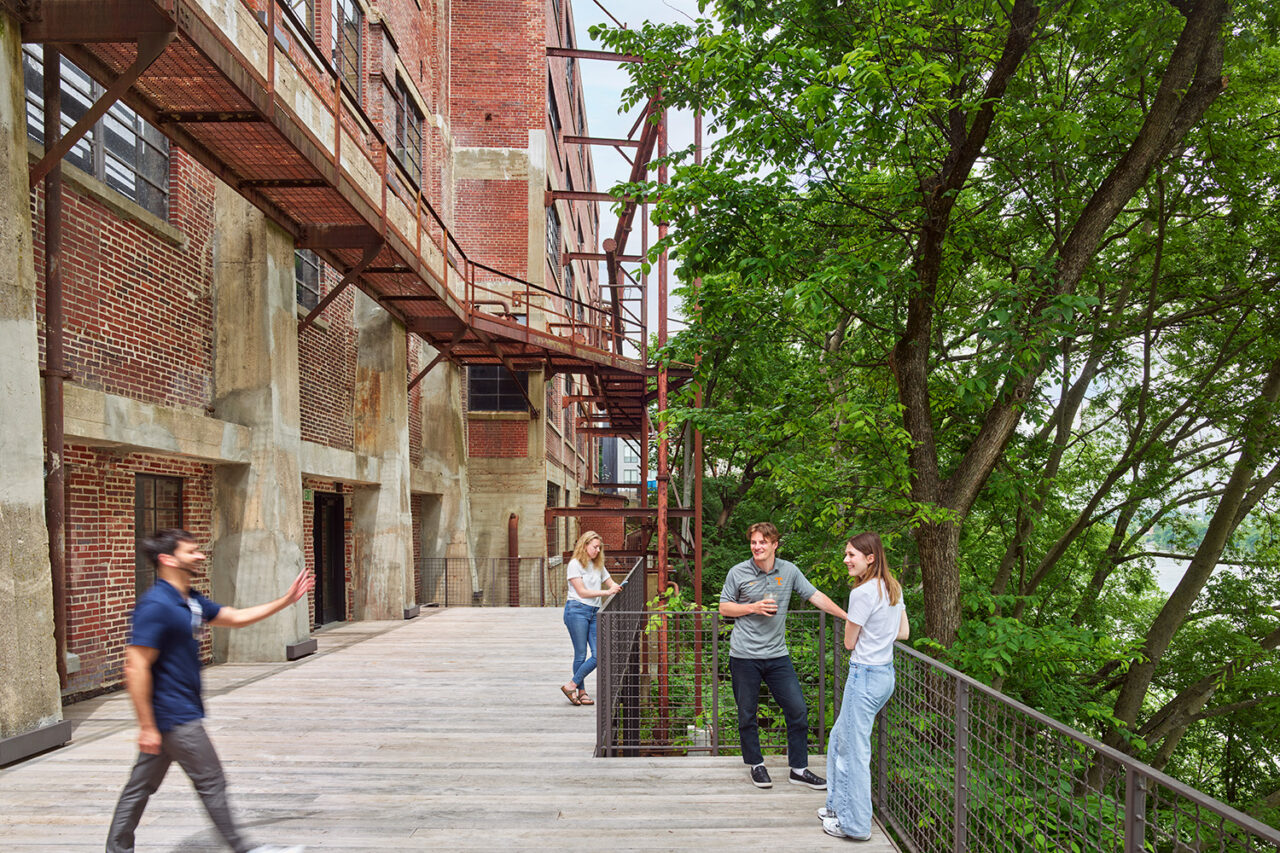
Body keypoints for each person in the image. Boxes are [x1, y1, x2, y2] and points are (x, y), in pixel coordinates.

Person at [105, 529, 313, 853]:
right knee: (211, 781)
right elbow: (135, 666)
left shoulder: (190, 600)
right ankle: (244, 849)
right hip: (174, 715)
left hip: (175, 713)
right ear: (167, 559)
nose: (200, 556)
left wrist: (286, 601)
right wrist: (146, 725)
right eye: (192, 551)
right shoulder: (156, 605)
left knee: (139, 788)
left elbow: (235, 617)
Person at [719, 522, 849, 789]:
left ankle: (798, 769)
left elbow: (815, 596)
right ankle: (756, 765)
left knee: (798, 709)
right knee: (747, 713)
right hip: (744, 656)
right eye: (754, 542)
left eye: (762, 542)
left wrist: (848, 617)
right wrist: (752, 607)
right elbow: (723, 607)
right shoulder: (738, 572)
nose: (757, 547)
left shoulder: (789, 571)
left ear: (775, 544)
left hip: (778, 655)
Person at [819, 531, 909, 841]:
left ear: (870, 558)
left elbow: (848, 642)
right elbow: (903, 632)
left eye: (851, 555)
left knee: (853, 752)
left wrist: (865, 632)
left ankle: (854, 825)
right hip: (884, 675)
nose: (846, 560)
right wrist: (879, 634)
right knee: (840, 737)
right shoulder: (892, 587)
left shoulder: (862, 592)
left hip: (864, 675)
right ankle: (836, 807)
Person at [559, 530, 621, 706]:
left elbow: (610, 582)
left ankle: (571, 685)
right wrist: (607, 592)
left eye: (599, 547)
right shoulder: (574, 564)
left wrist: (618, 586)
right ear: (585, 545)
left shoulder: (598, 565)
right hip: (576, 610)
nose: (597, 550)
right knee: (580, 653)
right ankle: (581, 692)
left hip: (594, 612)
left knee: (599, 653)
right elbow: (582, 592)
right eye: (594, 547)